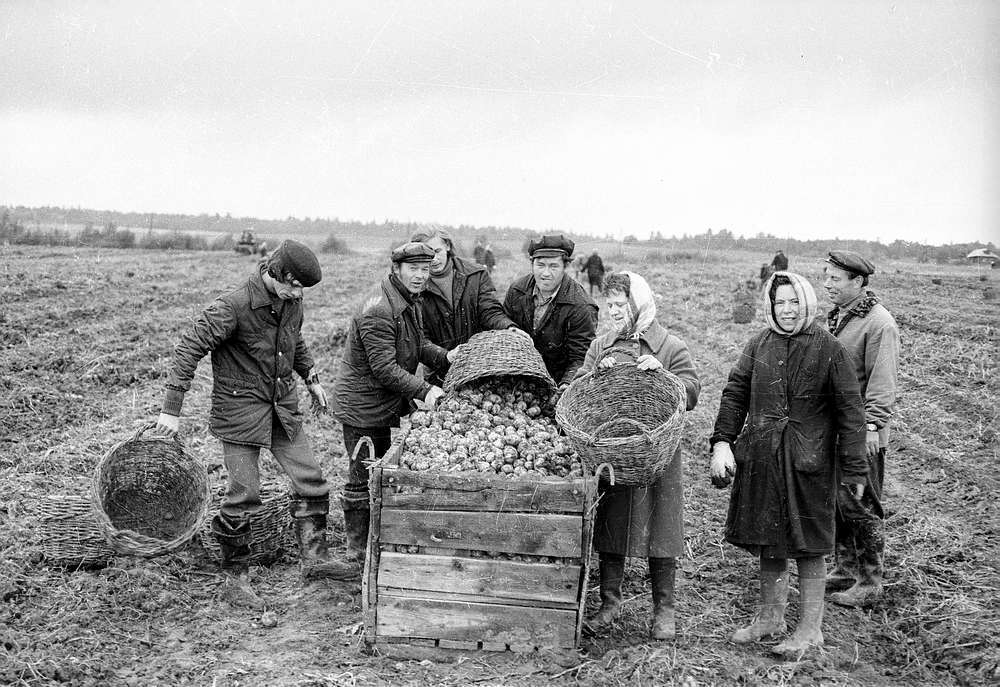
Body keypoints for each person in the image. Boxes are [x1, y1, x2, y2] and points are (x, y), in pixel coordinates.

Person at [155, 239, 352, 580]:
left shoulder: (292, 301)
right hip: (240, 412)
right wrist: (171, 409)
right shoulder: (233, 305)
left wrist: (312, 377)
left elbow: (295, 339)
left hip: (281, 408)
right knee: (243, 494)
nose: (300, 294)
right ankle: (236, 576)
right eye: (296, 286)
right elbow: (189, 348)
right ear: (280, 274)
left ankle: (317, 561)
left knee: (313, 481)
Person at [709, 271, 867, 656]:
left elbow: (851, 411)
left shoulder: (828, 348)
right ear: (771, 305)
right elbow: (735, 395)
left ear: (807, 303)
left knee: (810, 545)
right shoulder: (758, 343)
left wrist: (855, 468)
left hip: (808, 461)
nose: (787, 310)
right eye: (780, 302)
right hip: (763, 456)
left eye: (794, 302)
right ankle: (770, 618)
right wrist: (722, 442)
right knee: (769, 540)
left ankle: (810, 629)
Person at [579, 271, 700, 641]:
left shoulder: (669, 347)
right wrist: (593, 376)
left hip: (656, 455)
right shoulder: (602, 346)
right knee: (612, 526)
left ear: (639, 305)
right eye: (609, 305)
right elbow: (578, 385)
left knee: (661, 529)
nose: (613, 312)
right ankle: (610, 604)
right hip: (614, 451)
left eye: (620, 305)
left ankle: (664, 610)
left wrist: (664, 376)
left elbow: (691, 391)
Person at [331, 242, 460, 565]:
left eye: (425, 268)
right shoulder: (378, 310)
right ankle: (356, 553)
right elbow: (385, 369)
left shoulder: (407, 300)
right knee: (362, 473)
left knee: (377, 469)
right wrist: (427, 391)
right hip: (362, 406)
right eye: (413, 269)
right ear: (397, 270)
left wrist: (445, 356)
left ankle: (372, 541)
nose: (420, 275)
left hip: (380, 404)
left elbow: (417, 344)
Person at [823, 250, 900, 608]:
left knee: (862, 503)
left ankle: (871, 580)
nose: (827, 283)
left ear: (858, 282)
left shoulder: (879, 324)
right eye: (826, 276)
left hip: (863, 435)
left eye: (835, 279)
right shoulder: (841, 318)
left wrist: (871, 426)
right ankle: (845, 569)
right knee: (839, 502)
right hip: (838, 431)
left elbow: (882, 385)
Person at [410, 226, 527, 386]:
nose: (433, 259)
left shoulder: (476, 275)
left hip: (478, 366)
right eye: (427, 254)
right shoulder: (413, 287)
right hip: (438, 372)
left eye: (437, 251)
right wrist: (446, 356)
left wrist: (507, 327)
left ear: (448, 246)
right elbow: (418, 338)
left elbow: (490, 311)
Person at [503, 234, 598, 389]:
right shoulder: (517, 290)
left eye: (553, 266)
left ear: (565, 267)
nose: (546, 273)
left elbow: (581, 357)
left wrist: (567, 384)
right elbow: (504, 325)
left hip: (556, 383)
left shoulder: (581, 305)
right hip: (517, 377)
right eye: (540, 265)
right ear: (532, 264)